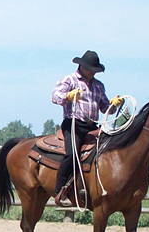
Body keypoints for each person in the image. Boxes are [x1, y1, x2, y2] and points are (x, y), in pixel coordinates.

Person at [50, 50, 121, 205]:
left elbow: (105, 108)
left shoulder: (98, 86)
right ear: (82, 67)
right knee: (72, 154)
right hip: (73, 124)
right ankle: (60, 189)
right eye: (90, 69)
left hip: (92, 126)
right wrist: (67, 96)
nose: (92, 73)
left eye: (94, 70)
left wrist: (113, 105)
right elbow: (55, 96)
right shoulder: (70, 80)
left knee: (106, 151)